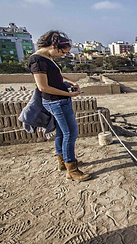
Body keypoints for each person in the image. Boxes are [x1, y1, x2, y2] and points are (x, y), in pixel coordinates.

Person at [29, 30, 90, 181]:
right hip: (57, 101)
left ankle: (63, 162)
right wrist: (69, 95)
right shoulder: (38, 61)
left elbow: (55, 77)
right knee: (71, 133)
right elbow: (43, 87)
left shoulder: (46, 58)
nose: (63, 55)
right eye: (63, 52)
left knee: (62, 133)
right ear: (54, 46)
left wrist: (71, 83)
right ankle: (72, 169)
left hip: (58, 100)